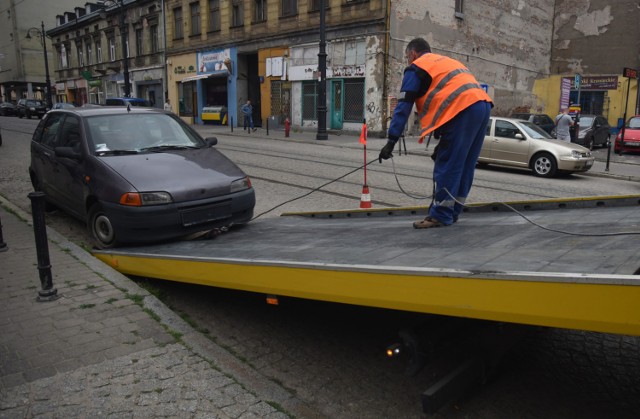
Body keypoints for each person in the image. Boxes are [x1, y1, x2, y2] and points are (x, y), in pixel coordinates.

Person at [378, 38, 493, 229]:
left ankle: (440, 215)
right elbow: (444, 99)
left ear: (413, 54)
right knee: (464, 164)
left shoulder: (417, 67)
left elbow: (404, 106)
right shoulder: (446, 62)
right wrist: (443, 141)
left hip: (461, 108)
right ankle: (453, 211)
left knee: (448, 164)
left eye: (408, 57)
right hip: (482, 104)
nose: (408, 61)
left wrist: (391, 140)